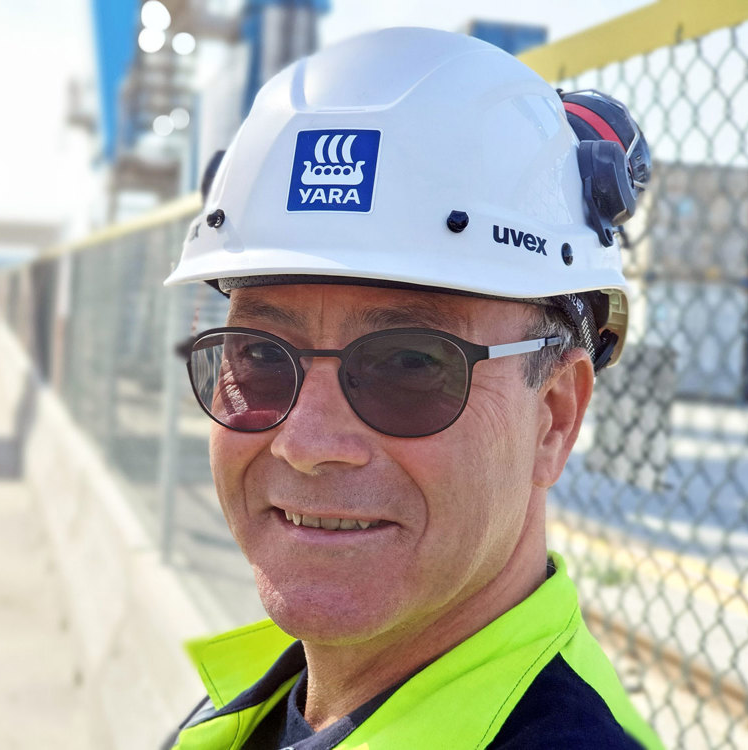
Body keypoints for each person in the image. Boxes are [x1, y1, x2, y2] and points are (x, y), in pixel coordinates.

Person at [163, 27, 663, 749]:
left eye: (409, 366)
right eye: (260, 357)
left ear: (553, 419)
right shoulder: (260, 707)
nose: (305, 444)